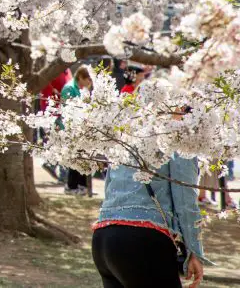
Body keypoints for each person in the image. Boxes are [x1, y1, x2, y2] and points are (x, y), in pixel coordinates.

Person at [93, 153, 207, 288]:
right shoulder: (181, 140)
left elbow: (109, 186)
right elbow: (185, 200)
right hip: (143, 238)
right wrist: (194, 251)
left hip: (104, 236)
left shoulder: (125, 134)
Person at [61, 65, 94, 195]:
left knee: (83, 157)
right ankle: (71, 186)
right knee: (75, 157)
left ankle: (82, 185)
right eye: (88, 79)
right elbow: (67, 109)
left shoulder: (83, 89)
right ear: (80, 77)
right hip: (72, 127)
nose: (89, 83)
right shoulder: (69, 88)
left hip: (82, 127)